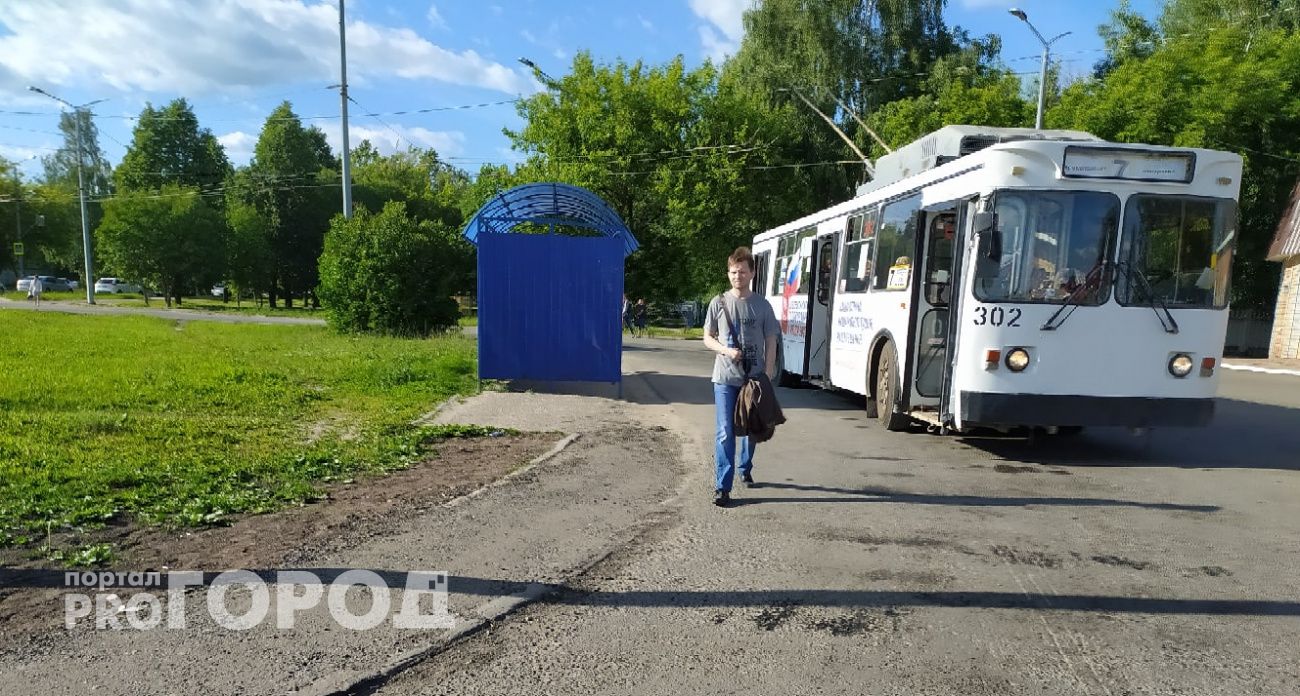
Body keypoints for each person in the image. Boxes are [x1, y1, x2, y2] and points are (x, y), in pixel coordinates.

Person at [702, 247, 780, 507]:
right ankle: (722, 487)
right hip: (724, 378)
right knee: (725, 431)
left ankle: (745, 467)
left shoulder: (762, 305)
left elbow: (771, 340)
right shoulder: (718, 303)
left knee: (750, 428)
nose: (738, 276)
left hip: (754, 378)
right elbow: (707, 338)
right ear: (728, 273)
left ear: (752, 273)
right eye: (734, 272)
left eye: (743, 272)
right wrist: (726, 351)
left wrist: (767, 373)